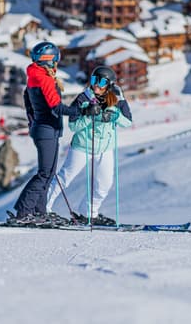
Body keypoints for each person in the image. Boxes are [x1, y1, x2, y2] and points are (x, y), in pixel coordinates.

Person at [45, 66, 133, 226]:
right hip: (82, 146)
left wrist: (114, 116)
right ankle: (43, 208)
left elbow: (127, 122)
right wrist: (87, 115)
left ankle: (89, 213)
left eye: (101, 82)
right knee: (65, 178)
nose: (96, 85)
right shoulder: (83, 99)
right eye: (94, 80)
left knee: (104, 184)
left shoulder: (117, 99)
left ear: (110, 85)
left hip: (104, 149)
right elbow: (73, 126)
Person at [12, 41, 82, 224]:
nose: (57, 65)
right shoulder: (43, 78)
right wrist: (78, 111)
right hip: (46, 129)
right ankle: (24, 211)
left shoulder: (34, 76)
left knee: (49, 173)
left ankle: (38, 211)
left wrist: (33, 122)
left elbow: (29, 104)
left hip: (44, 128)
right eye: (56, 61)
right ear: (50, 60)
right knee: (45, 173)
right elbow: (56, 107)